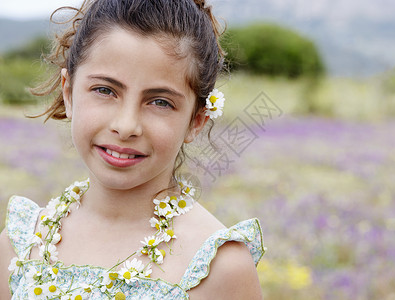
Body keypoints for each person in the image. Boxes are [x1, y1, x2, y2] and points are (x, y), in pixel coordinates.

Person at [0, 0, 265, 299]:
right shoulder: (20, 246)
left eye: (160, 102)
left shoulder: (220, 268)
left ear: (197, 121)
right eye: (105, 90)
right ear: (69, 92)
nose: (126, 126)